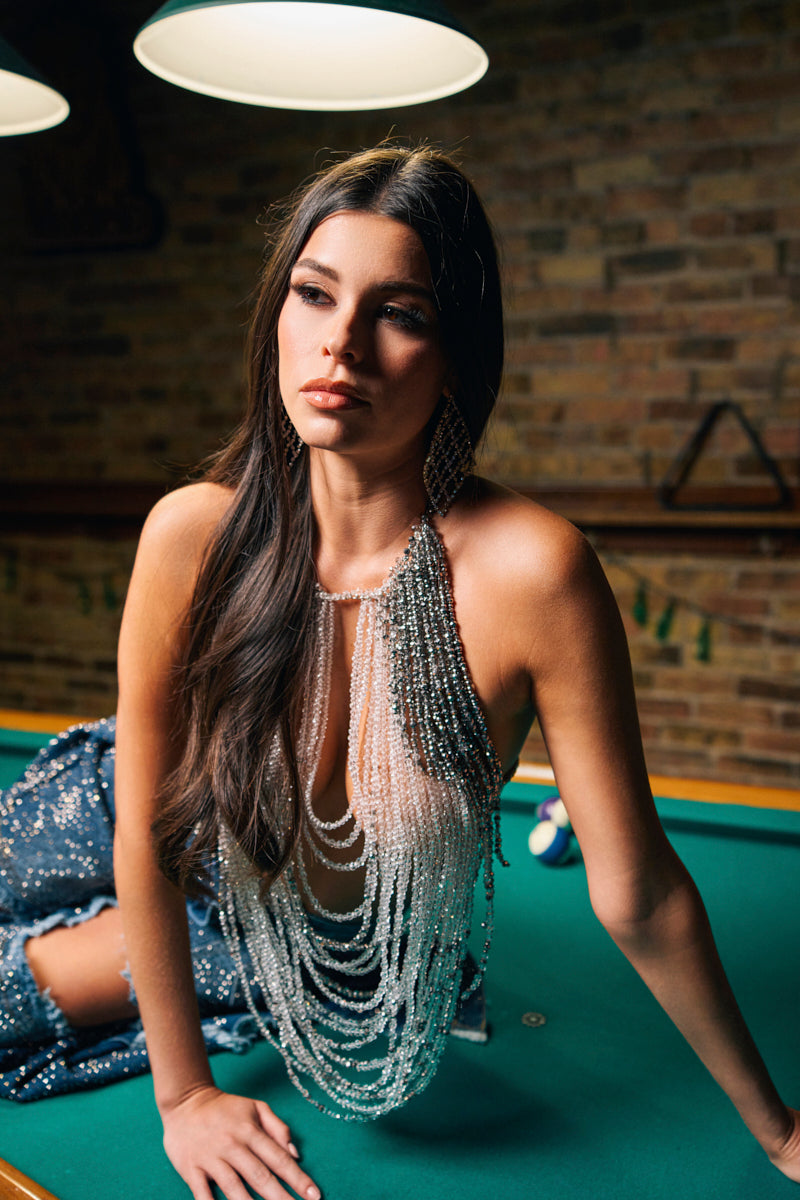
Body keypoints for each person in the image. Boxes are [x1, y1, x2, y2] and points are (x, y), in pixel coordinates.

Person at [1, 144, 799, 1200]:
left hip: (298, 934)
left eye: (400, 313)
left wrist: (780, 1132)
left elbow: (639, 893)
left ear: (455, 354)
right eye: (314, 294)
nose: (340, 343)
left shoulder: (531, 572)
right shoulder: (192, 533)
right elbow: (143, 832)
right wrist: (185, 1097)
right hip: (132, 807)